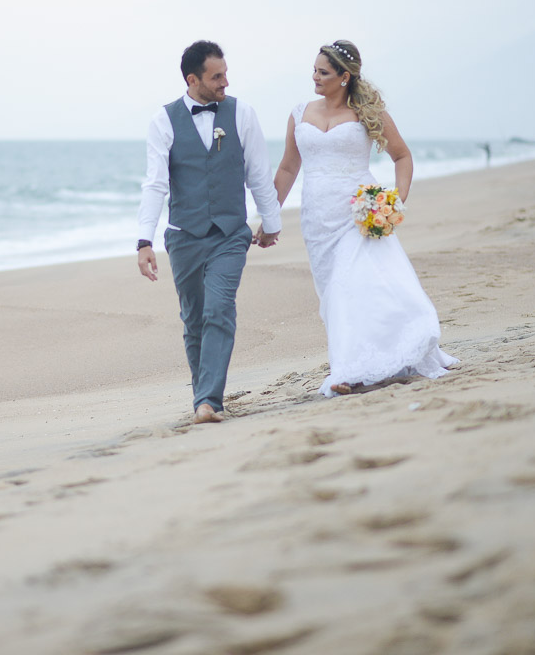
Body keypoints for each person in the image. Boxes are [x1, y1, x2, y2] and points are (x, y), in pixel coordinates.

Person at [263, 40, 456, 396]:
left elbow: (402, 156)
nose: (315, 78)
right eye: (314, 70)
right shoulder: (299, 112)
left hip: (360, 213)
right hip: (317, 219)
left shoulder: (368, 112)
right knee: (332, 293)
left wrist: (394, 202)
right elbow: (289, 167)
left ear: (344, 77)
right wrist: (268, 215)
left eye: (323, 72)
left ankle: (346, 371)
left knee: (349, 286)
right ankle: (363, 357)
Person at [137, 40, 282, 423]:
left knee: (220, 309)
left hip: (230, 234)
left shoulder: (243, 114)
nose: (225, 82)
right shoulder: (163, 121)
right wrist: (144, 240)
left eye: (226, 73)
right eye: (216, 76)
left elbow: (258, 173)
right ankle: (203, 395)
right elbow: (155, 184)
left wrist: (271, 222)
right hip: (184, 235)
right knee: (195, 318)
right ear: (192, 79)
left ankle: (209, 402)